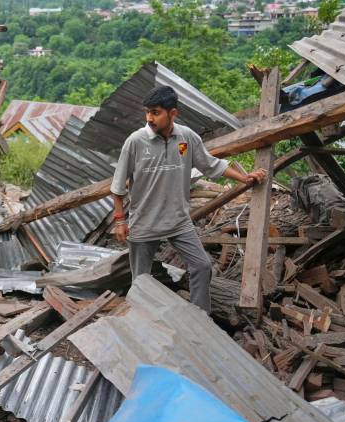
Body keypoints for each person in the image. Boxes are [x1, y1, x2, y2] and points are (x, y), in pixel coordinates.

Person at [111, 86, 267, 314]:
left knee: (202, 266)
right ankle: (142, 322)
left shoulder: (187, 137)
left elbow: (211, 165)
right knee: (141, 281)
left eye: (155, 113)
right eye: (147, 112)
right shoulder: (135, 141)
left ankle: (199, 318)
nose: (149, 118)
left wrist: (244, 178)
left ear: (173, 113)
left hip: (178, 221)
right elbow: (117, 186)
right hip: (144, 222)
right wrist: (119, 220)